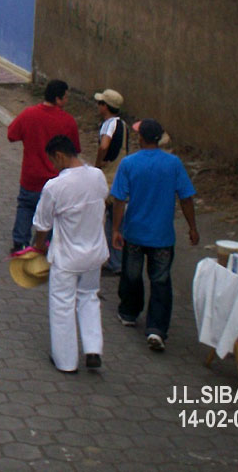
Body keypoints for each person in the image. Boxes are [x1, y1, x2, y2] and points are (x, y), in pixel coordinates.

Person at [110, 119, 199, 353]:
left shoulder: (129, 163)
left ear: (140, 139)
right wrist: (192, 227)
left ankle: (129, 312)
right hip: (162, 236)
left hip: (135, 233)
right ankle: (157, 329)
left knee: (131, 274)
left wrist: (116, 229)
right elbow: (186, 197)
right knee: (160, 281)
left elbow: (119, 199)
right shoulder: (173, 164)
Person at [33, 135, 110, 374]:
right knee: (89, 298)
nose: (53, 166)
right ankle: (93, 349)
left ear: (59, 156)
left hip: (67, 257)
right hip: (94, 253)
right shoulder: (97, 176)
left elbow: (42, 224)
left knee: (63, 305)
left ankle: (66, 361)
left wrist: (37, 248)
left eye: (53, 161)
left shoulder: (55, 187)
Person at [6, 80, 81, 253]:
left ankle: (19, 244)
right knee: (51, 215)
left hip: (30, 176)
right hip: (56, 179)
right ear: (58, 99)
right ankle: (42, 247)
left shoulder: (29, 114)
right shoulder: (68, 121)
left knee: (25, 206)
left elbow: (11, 134)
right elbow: (75, 150)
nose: (67, 101)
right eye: (66, 97)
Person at [93, 89, 129, 275]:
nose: (98, 106)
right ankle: (114, 260)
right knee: (115, 219)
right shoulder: (123, 125)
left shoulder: (108, 125)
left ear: (105, 106)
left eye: (100, 103)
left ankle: (115, 262)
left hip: (109, 178)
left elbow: (104, 146)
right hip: (121, 176)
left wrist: (98, 164)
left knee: (111, 220)